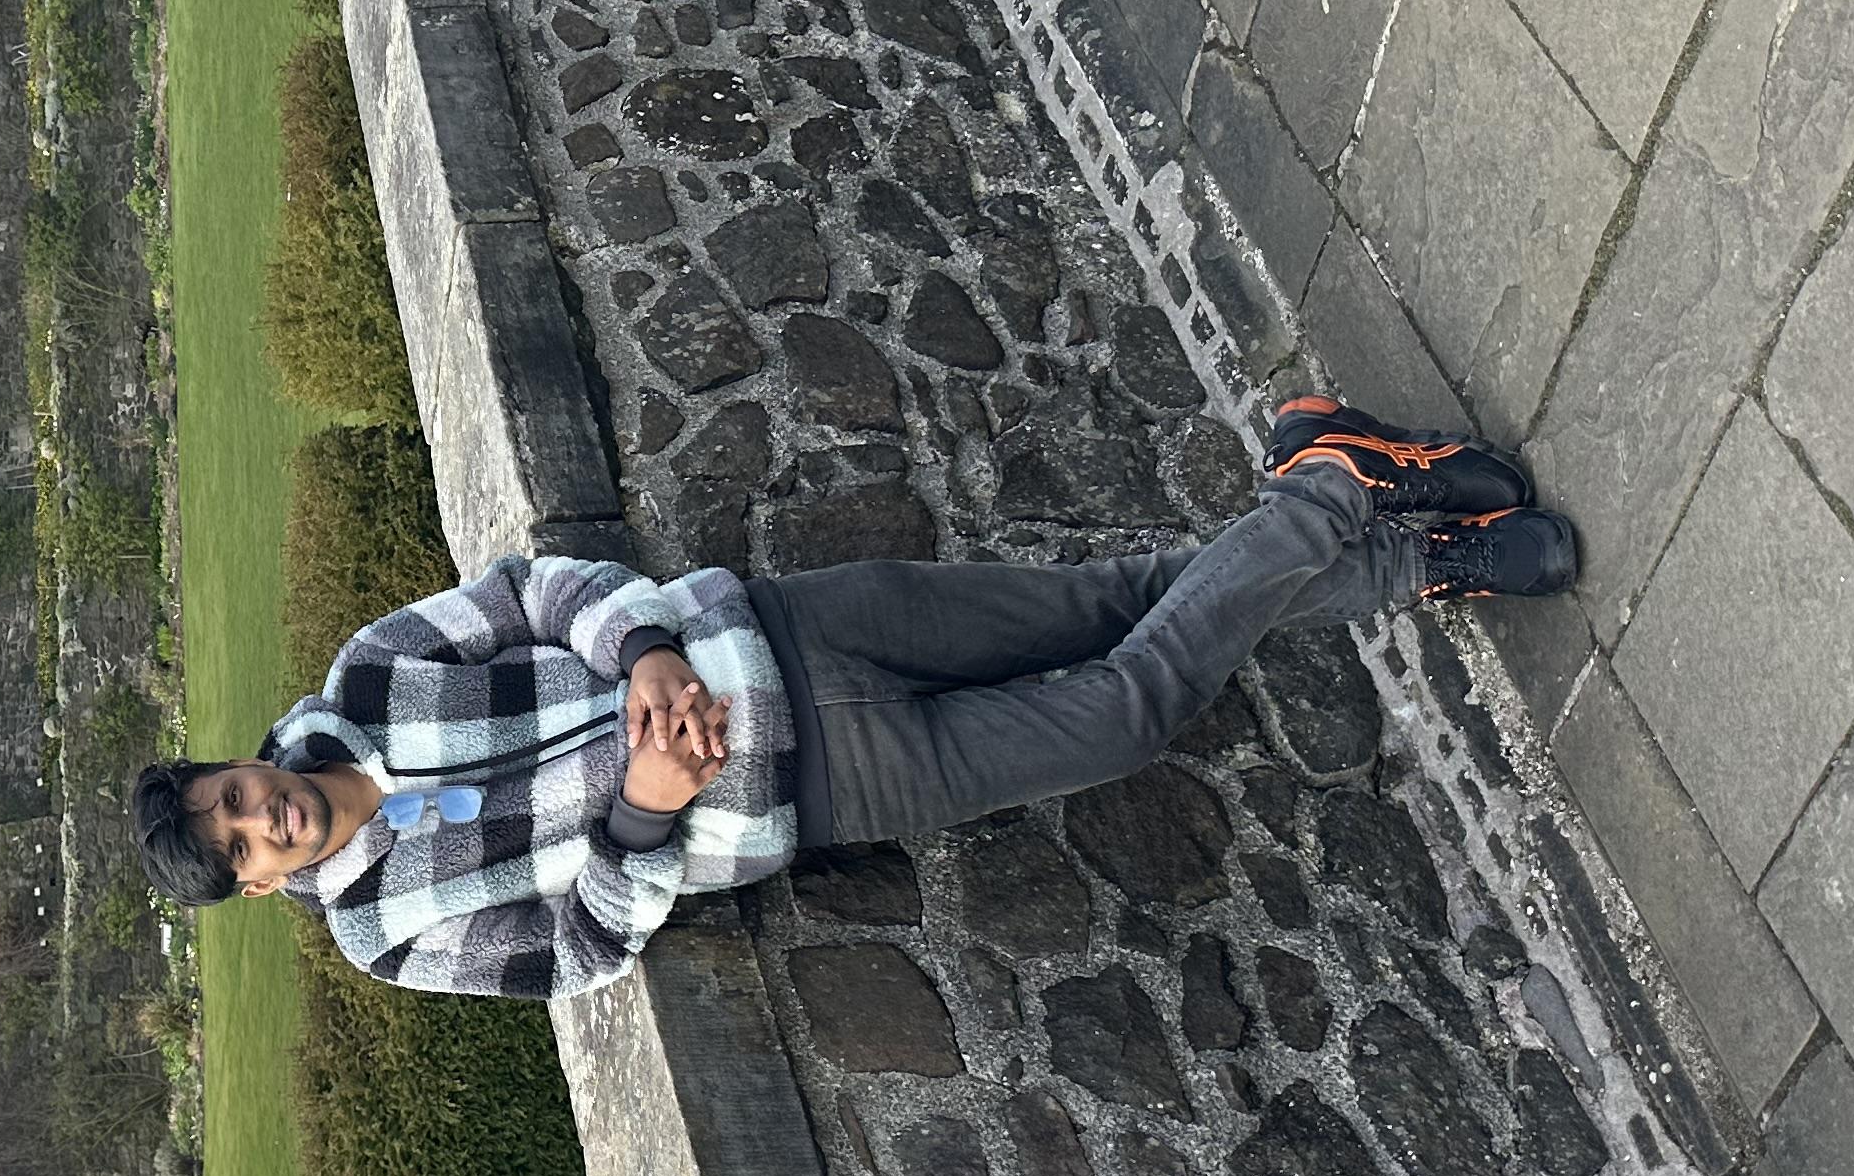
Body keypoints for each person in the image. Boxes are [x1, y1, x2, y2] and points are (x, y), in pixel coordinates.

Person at [127, 397, 1574, 999]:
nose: (263, 818)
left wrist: (645, 655)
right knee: (1128, 711)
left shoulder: (368, 675)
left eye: (233, 797)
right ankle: (1337, 490)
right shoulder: (386, 933)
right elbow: (575, 953)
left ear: (233, 768)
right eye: (243, 845)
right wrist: (643, 812)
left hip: (786, 628)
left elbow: (530, 590)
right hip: (830, 787)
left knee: (1117, 599)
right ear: (256, 886)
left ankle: (1393, 539)